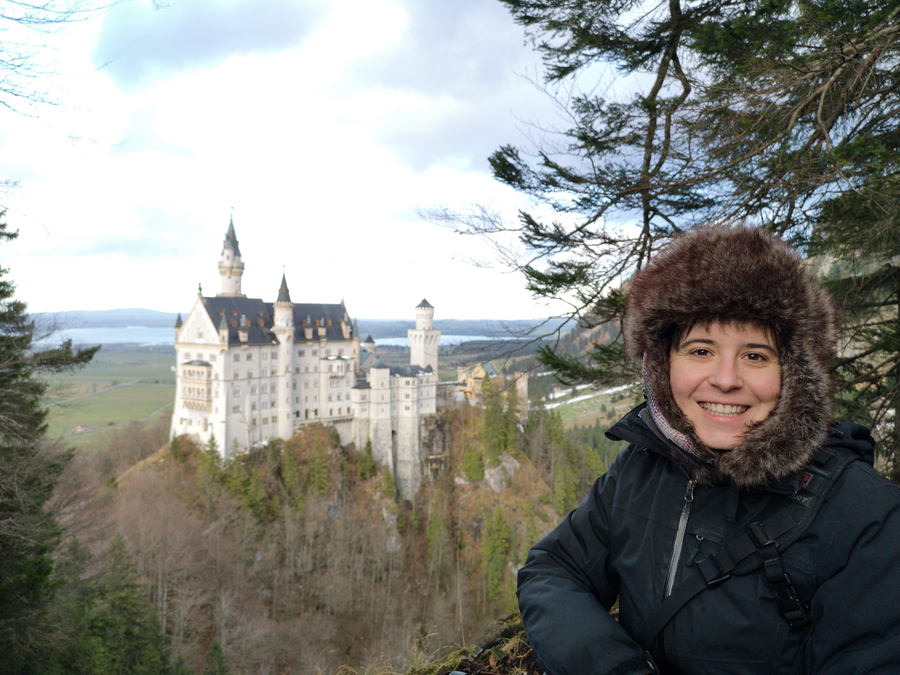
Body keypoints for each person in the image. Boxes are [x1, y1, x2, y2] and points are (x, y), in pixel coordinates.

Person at [517, 225, 900, 675]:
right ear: (661, 365)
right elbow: (554, 569)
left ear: (796, 375)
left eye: (755, 356)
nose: (725, 379)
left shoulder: (867, 516)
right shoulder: (640, 470)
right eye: (701, 350)